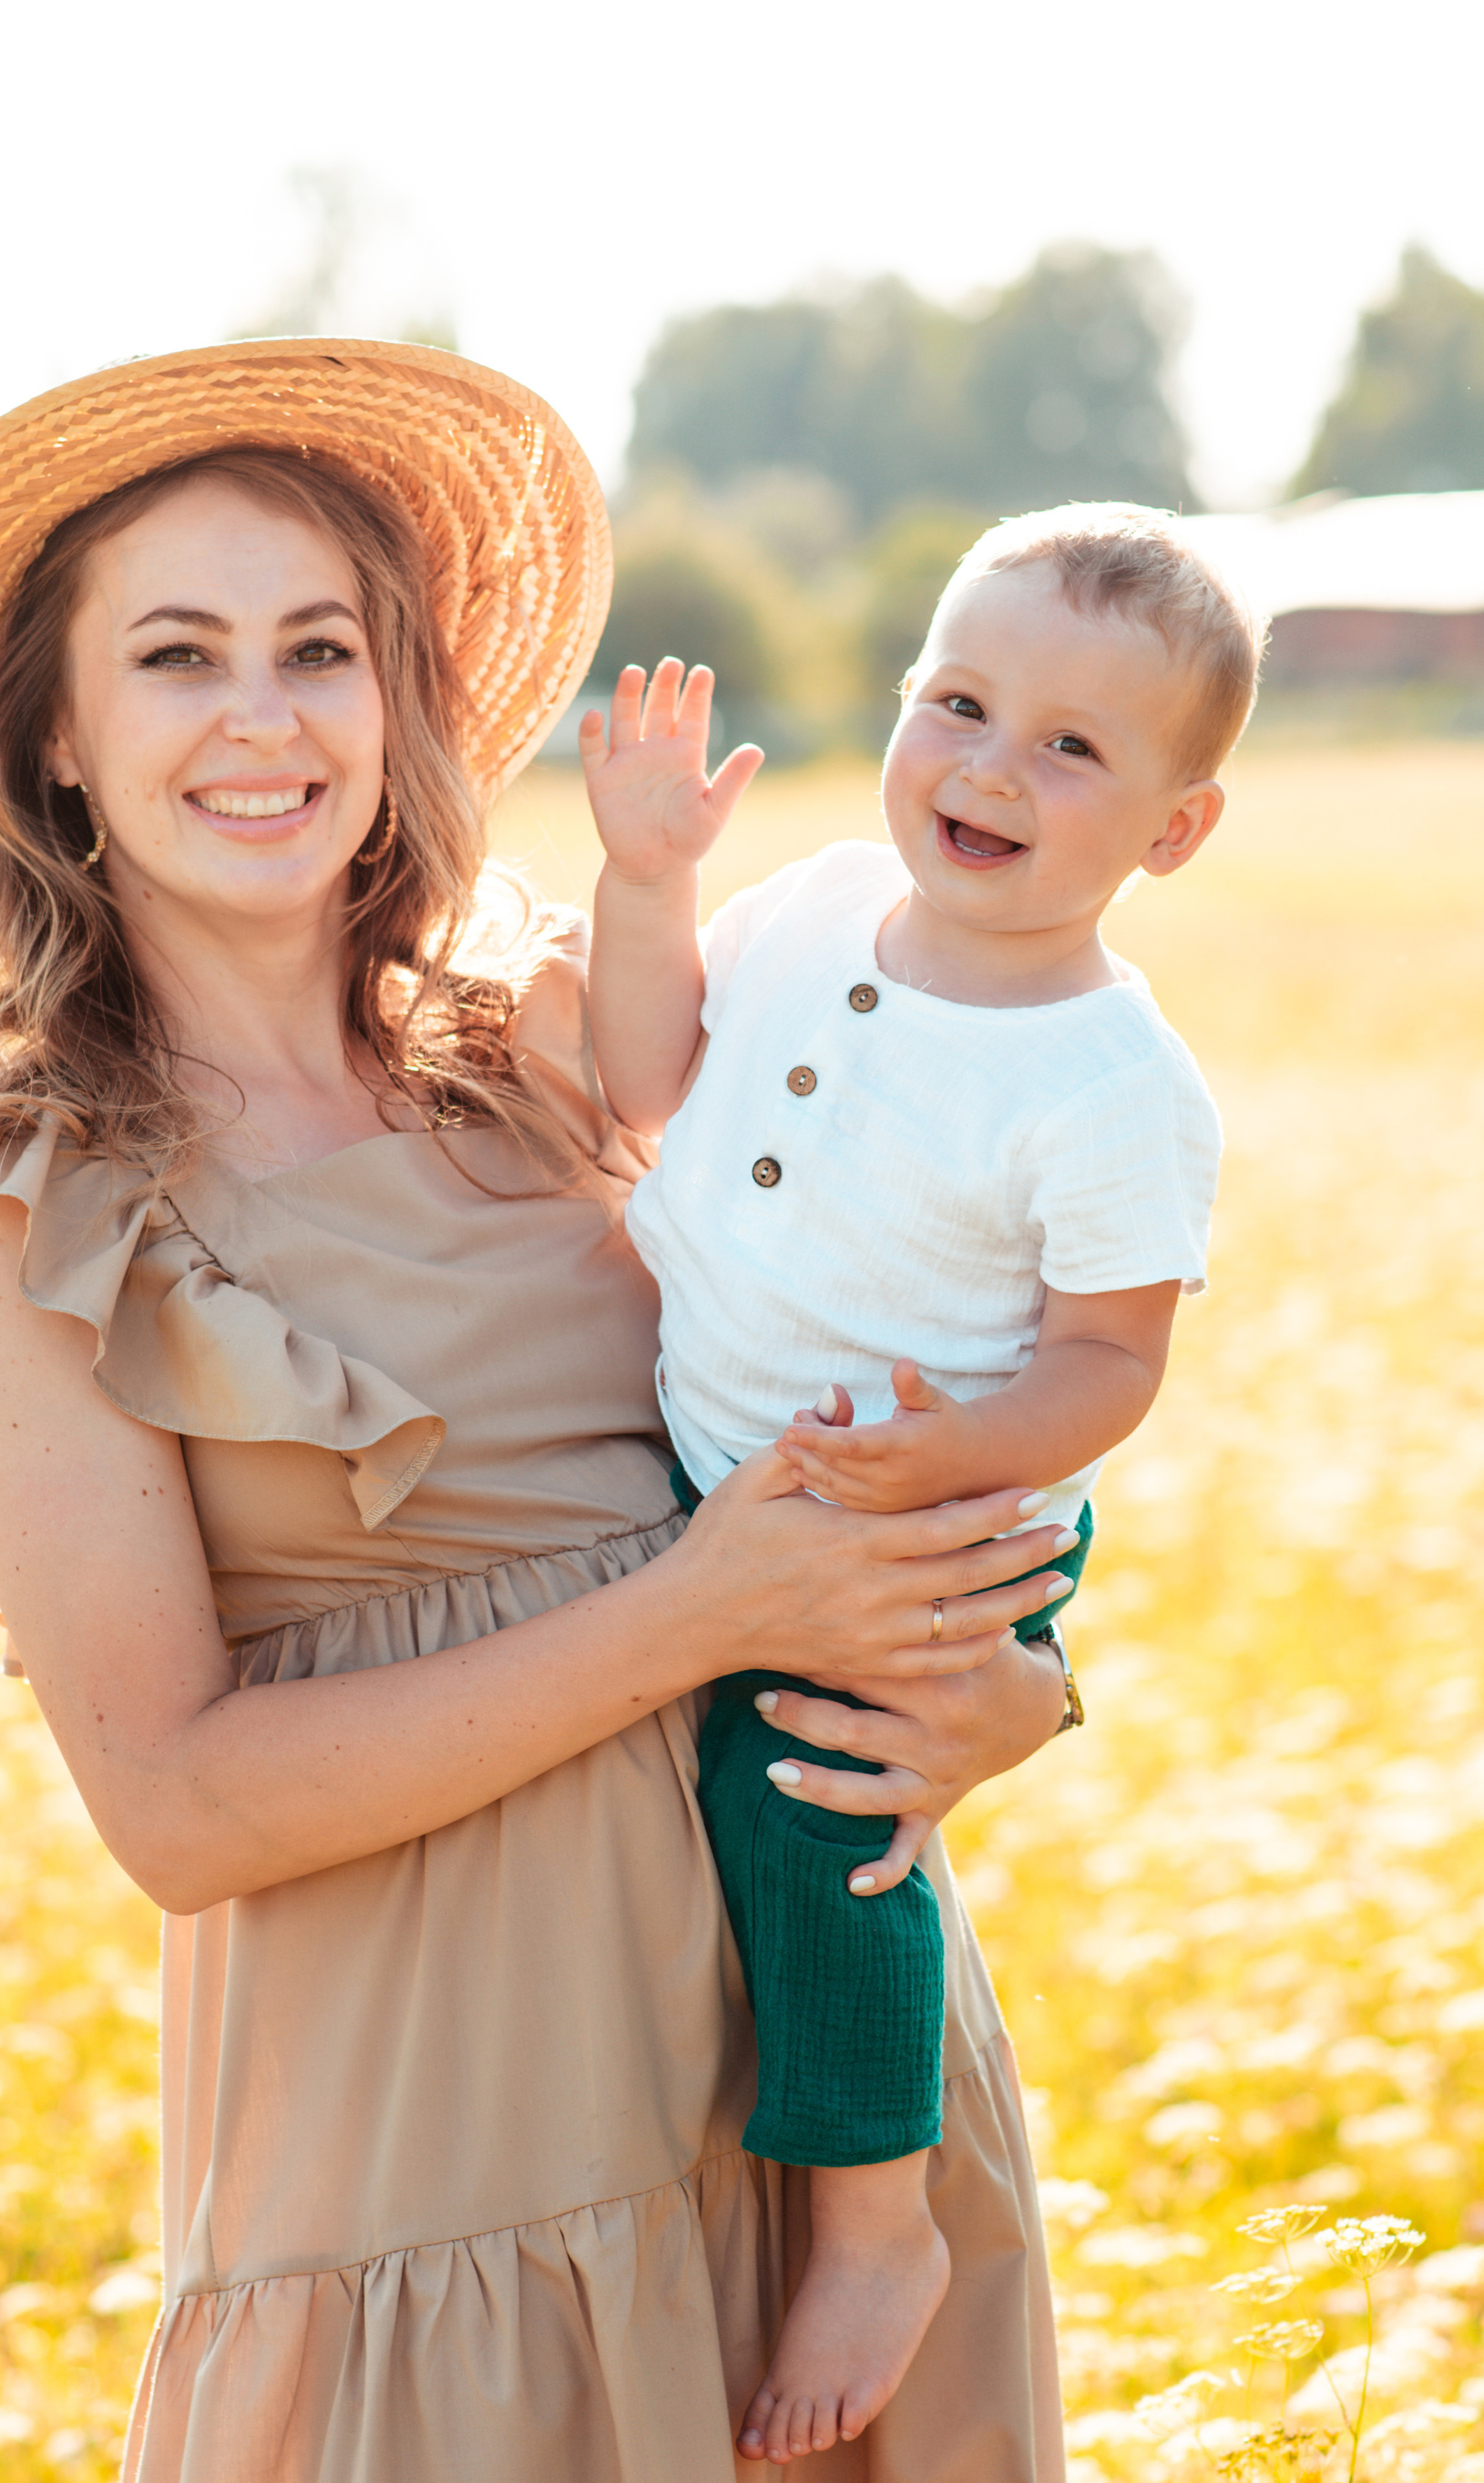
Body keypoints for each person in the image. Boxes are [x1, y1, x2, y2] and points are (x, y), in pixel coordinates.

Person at [0, 339, 1080, 2483]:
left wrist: (1009, 1682)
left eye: (321, 648)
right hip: (439, 2204)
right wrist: (697, 1611)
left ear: (396, 706)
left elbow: (881, 1397)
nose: (265, 717)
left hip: (822, 2132)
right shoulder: (27, 1210)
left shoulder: (565, 1048)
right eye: (177, 657)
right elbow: (174, 1802)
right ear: (64, 746)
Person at [581, 503, 1258, 2462]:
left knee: (823, 1803)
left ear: (1173, 829)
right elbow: (646, 1085)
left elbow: (1109, 1363)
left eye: (1072, 746)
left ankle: (876, 2227)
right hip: (734, 1465)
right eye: (959, 700)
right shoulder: (798, 910)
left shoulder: (1113, 1082)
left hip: (936, 1518)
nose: (986, 764)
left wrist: (936, 1457)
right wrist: (649, 881)